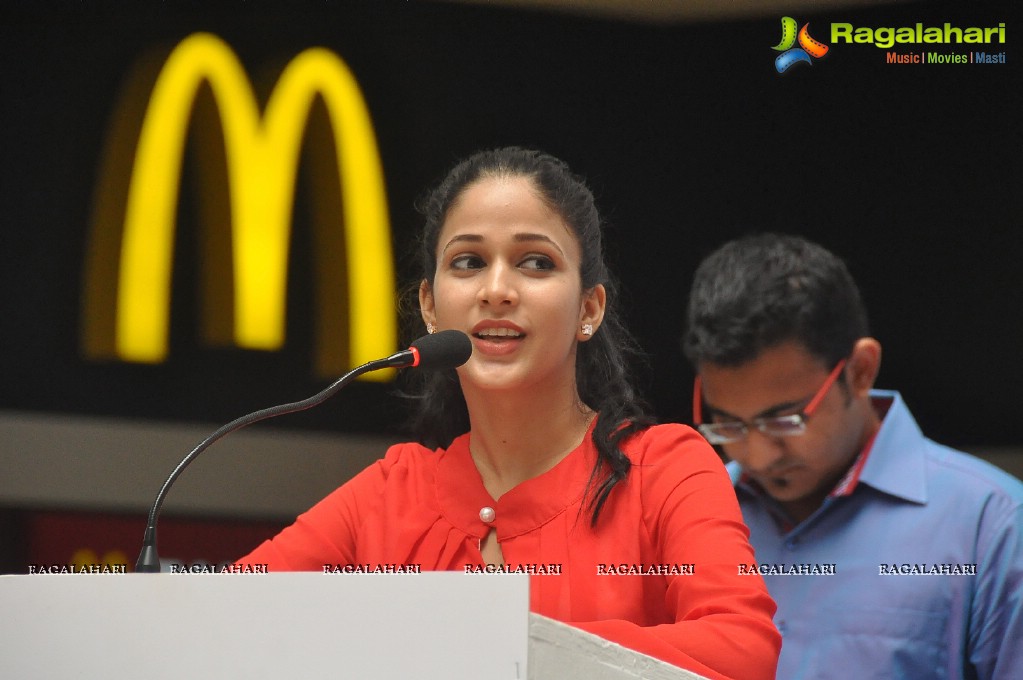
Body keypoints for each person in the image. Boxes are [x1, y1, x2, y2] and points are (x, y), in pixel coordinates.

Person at [239, 147, 780, 679]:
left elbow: (741, 649)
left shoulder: (664, 470)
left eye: (535, 263)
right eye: (468, 262)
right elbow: (228, 617)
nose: (496, 291)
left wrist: (506, 647)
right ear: (430, 306)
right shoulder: (387, 493)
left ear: (588, 309)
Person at [682, 233, 1023, 679]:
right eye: (729, 424)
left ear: (861, 370)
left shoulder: (994, 526)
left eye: (785, 421)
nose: (758, 456)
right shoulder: (690, 515)